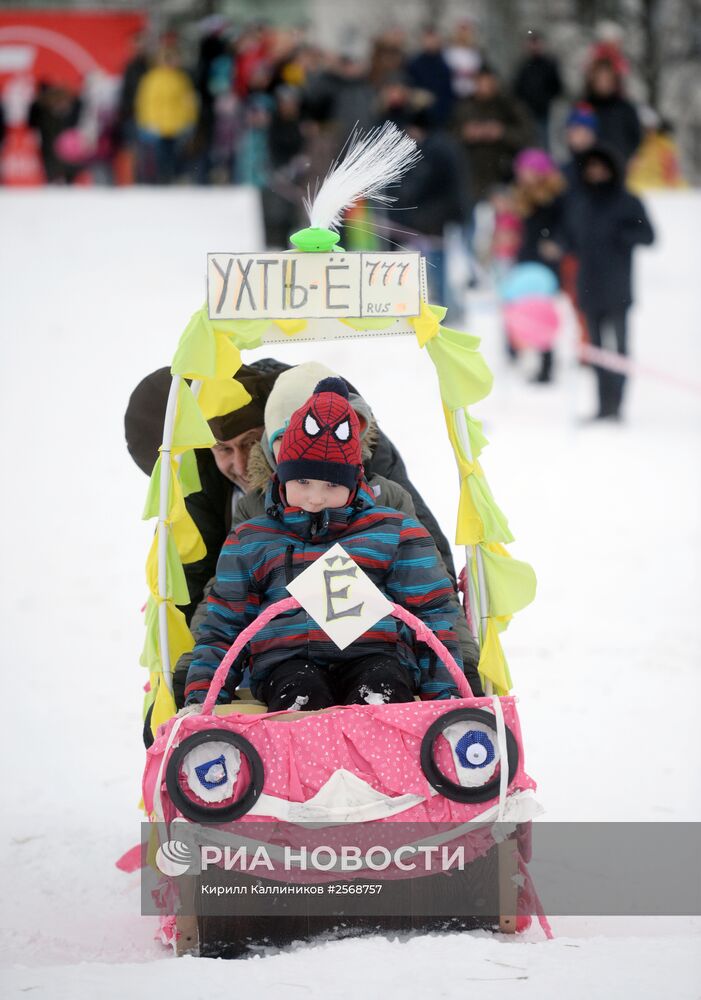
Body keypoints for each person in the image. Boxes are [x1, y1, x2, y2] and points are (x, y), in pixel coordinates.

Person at [170, 361, 481, 710]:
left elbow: (430, 597)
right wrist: (196, 687)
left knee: (383, 684)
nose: (315, 498)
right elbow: (224, 606)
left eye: (331, 485)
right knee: (298, 691)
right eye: (302, 481)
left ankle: (381, 748)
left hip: (376, 651)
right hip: (285, 657)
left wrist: (457, 677)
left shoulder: (387, 512)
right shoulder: (255, 523)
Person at [562, 145, 655, 421]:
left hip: (618, 287)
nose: (597, 173)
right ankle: (603, 405)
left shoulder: (628, 202)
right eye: (591, 168)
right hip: (588, 286)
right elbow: (568, 238)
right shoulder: (580, 202)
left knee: (620, 349)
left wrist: (621, 236)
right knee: (596, 350)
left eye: (602, 167)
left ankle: (617, 404)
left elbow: (648, 236)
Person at [512, 148, 566, 382]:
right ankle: (521, 355)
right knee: (522, 311)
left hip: (545, 266)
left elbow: (565, 228)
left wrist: (555, 243)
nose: (525, 175)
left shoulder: (555, 198)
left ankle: (547, 366)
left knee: (542, 314)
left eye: (529, 171)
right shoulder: (522, 197)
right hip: (525, 262)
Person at [581, 58, 640, 166]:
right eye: (599, 79)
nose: (603, 83)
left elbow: (636, 138)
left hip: (619, 166)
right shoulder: (583, 107)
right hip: (589, 169)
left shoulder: (626, 108)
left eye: (607, 79)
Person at [512, 31, 562, 151]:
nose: (534, 46)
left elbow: (557, 87)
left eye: (536, 43)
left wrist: (545, 99)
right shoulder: (523, 66)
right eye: (532, 43)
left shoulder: (548, 64)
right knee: (528, 142)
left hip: (543, 111)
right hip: (526, 112)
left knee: (543, 141)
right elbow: (516, 88)